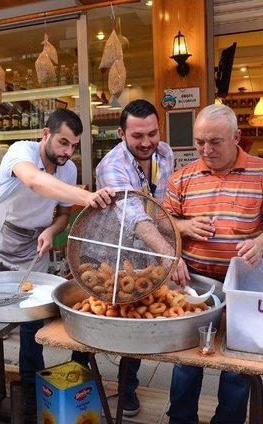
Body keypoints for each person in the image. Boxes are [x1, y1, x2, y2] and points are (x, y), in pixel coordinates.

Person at [0, 108, 114, 422]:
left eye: (73, 146)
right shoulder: (20, 151)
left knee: (31, 320)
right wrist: (87, 196)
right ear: (45, 134)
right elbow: (36, 182)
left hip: (34, 245)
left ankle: (30, 390)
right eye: (63, 142)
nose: (67, 152)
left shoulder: (68, 170)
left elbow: (63, 214)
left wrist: (52, 231)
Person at [165, 104, 263, 424]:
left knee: (236, 361)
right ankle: (180, 419)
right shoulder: (182, 177)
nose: (206, 149)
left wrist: (261, 243)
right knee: (187, 358)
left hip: (243, 281)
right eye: (199, 142)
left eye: (215, 142)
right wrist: (184, 227)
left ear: (237, 137)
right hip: (194, 281)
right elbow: (164, 221)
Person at [70, 99, 178, 417]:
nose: (146, 143)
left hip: (141, 251)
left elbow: (159, 209)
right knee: (91, 324)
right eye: (137, 136)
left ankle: (127, 389)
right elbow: (135, 216)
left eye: (152, 133)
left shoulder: (164, 153)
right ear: (121, 133)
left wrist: (170, 243)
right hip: (101, 252)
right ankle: (78, 386)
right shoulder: (111, 166)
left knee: (136, 318)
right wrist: (170, 255)